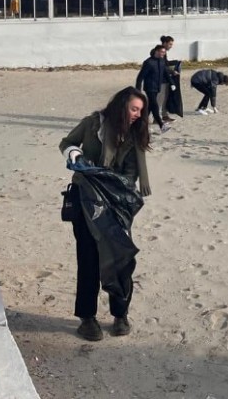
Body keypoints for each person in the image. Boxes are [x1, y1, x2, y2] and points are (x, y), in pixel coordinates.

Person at [59, 86, 152, 341]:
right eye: (134, 108)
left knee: (121, 258)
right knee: (88, 259)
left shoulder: (135, 135)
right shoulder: (92, 124)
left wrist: (111, 186)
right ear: (121, 105)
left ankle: (120, 314)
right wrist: (75, 155)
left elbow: (132, 174)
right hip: (84, 197)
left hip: (116, 204)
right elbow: (66, 143)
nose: (137, 114)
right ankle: (87, 319)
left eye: (140, 111)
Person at [135, 45, 171, 134]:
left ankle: (141, 125)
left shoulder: (162, 61)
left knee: (150, 106)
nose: (163, 54)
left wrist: (172, 83)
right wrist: (138, 90)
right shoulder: (148, 62)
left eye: (164, 52)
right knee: (155, 105)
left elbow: (165, 72)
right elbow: (140, 77)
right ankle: (161, 125)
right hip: (149, 87)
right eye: (162, 52)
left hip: (157, 87)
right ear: (157, 52)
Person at [159, 35, 181, 123]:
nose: (171, 46)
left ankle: (164, 115)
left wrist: (175, 62)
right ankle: (158, 117)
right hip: (160, 79)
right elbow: (162, 66)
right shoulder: (160, 52)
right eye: (170, 44)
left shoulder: (163, 53)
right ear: (165, 43)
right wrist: (172, 71)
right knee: (160, 99)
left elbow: (165, 64)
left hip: (165, 78)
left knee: (164, 98)